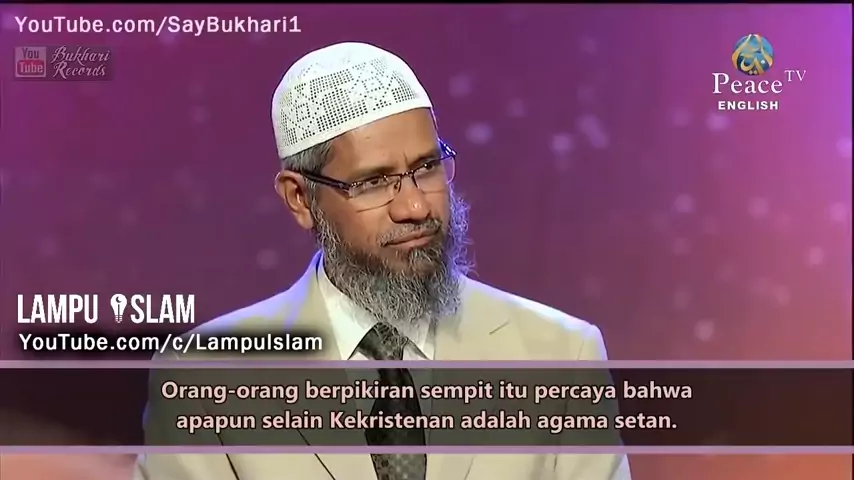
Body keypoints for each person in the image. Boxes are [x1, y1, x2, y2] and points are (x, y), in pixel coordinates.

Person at [136, 42, 631, 480]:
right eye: (373, 182)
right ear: (300, 199)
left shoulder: (562, 356)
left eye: (427, 167)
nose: (414, 206)